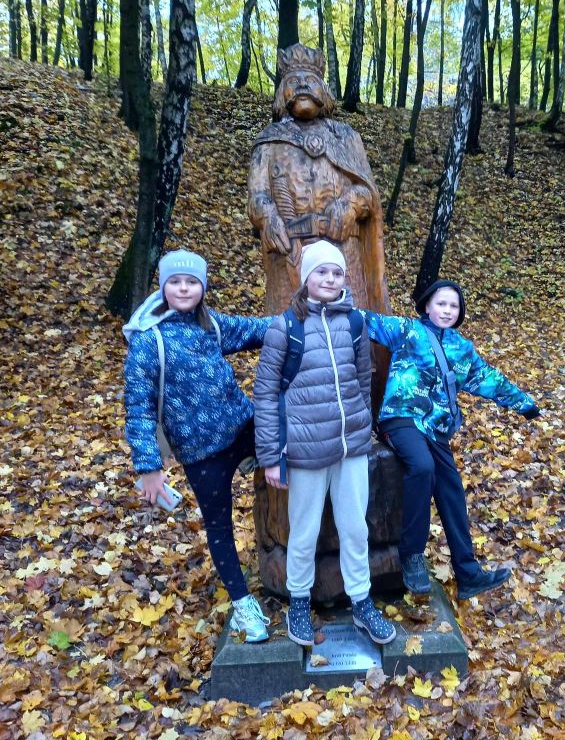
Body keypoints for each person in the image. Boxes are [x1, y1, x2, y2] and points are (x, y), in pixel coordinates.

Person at [123, 249, 273, 643]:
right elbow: (138, 407)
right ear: (163, 287)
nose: (184, 288)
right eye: (175, 281)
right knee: (219, 526)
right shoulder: (148, 341)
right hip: (201, 454)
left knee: (289, 441)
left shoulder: (211, 325)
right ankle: (243, 605)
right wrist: (149, 468)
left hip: (242, 427)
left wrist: (303, 318)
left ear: (202, 287)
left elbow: (257, 329)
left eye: (191, 282)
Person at [253, 240, 396, 647]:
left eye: (337, 273)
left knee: (355, 528)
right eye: (322, 272)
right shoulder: (286, 328)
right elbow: (266, 394)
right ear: (306, 277)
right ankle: (299, 602)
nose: (330, 279)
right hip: (305, 450)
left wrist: (362, 424)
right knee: (304, 531)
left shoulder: (354, 323)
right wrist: (271, 457)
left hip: (350, 447)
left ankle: (362, 601)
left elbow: (363, 378)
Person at [364, 280, 541, 600]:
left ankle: (468, 573)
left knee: (452, 491)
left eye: (453, 306)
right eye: (441, 303)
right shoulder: (407, 331)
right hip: (401, 417)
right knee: (422, 467)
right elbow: (365, 321)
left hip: (435, 427)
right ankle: (411, 555)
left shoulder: (462, 349)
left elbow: (487, 378)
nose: (447, 310)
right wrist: (331, 300)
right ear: (427, 306)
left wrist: (524, 404)